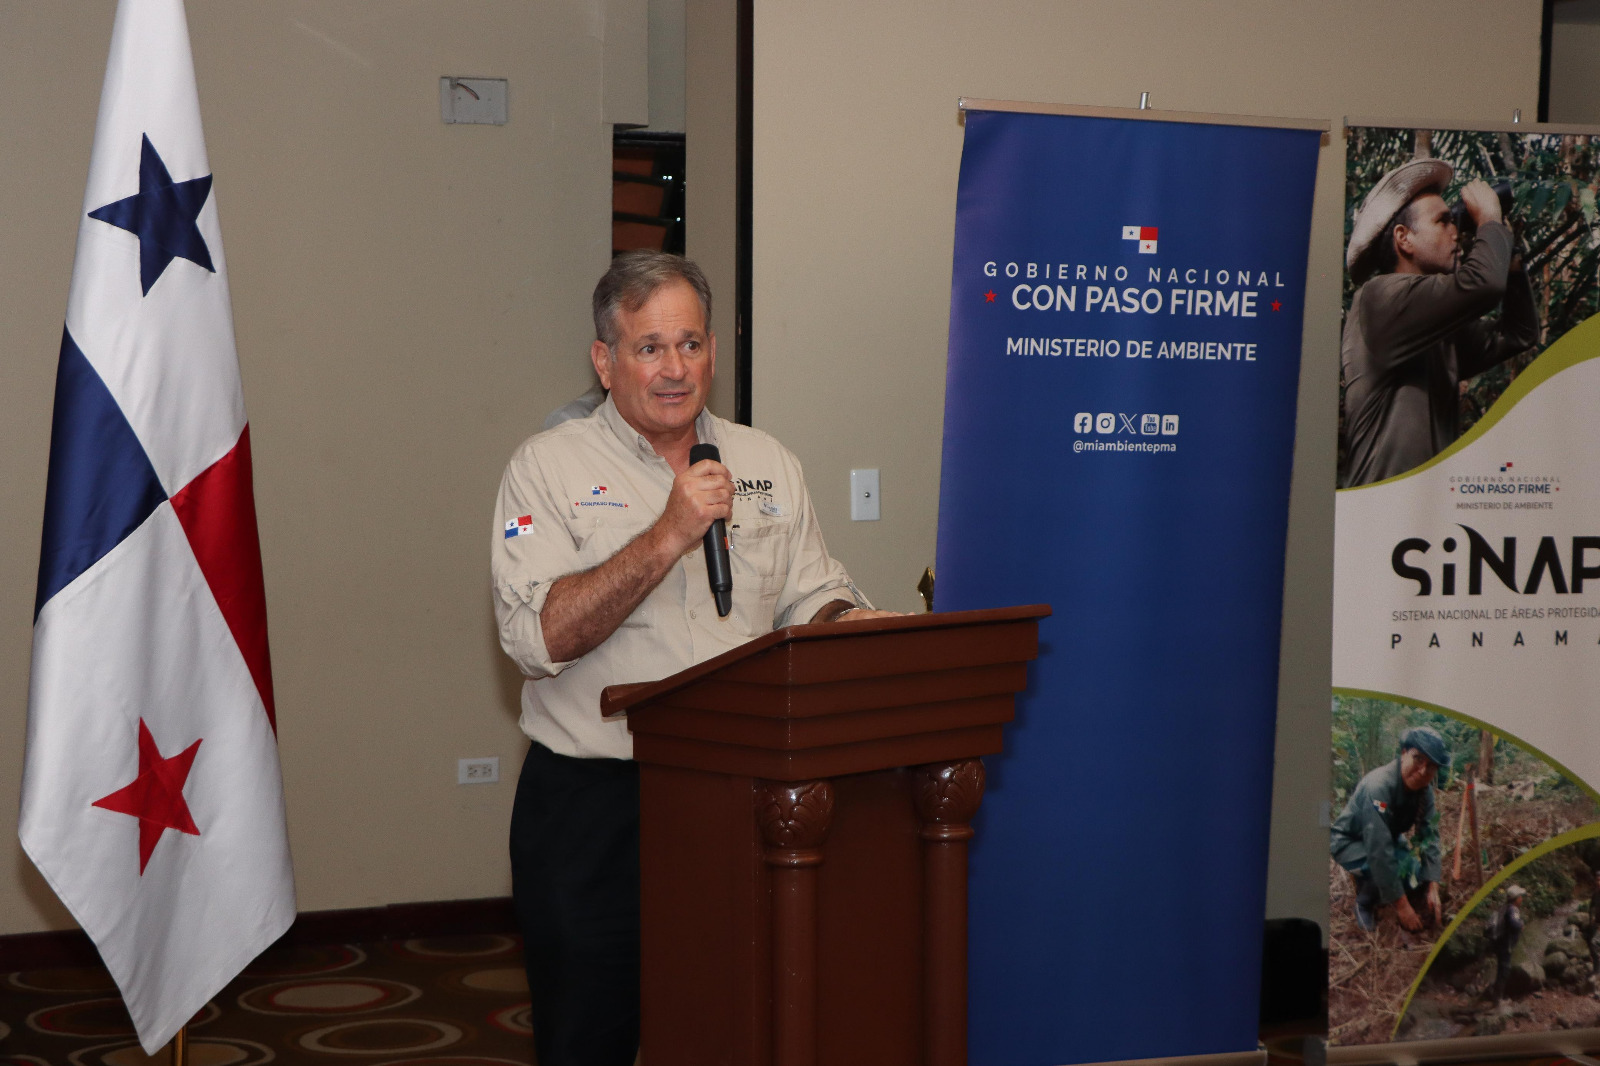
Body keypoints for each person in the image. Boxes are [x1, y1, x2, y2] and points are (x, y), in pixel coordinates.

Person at [491, 251, 901, 1066]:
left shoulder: (767, 462)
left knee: (732, 1027)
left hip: (738, 798)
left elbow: (809, 594)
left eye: (689, 344)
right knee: (588, 1036)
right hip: (596, 806)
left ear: (713, 350)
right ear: (604, 360)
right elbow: (538, 638)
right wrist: (669, 533)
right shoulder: (546, 468)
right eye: (649, 348)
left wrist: (850, 621)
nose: (675, 369)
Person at [1339, 159, 1539, 488]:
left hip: (1426, 508)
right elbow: (1484, 284)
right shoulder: (1379, 298)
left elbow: (1518, 334)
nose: (1456, 232)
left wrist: (1511, 258)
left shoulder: (1435, 328)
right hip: (1382, 507)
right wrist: (1489, 220)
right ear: (1404, 238)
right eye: (1443, 222)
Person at [1330, 727, 1450, 934]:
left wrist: (1433, 886)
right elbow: (1379, 850)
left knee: (1414, 875)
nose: (1423, 771)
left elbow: (1429, 836)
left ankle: (1384, 888)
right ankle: (1364, 902)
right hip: (1349, 842)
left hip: (1388, 839)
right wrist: (1403, 907)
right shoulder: (1378, 787)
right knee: (1384, 867)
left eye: (1431, 766)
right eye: (1418, 759)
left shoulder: (1425, 791)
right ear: (1404, 753)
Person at [1485, 884, 1528, 1002]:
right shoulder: (1512, 909)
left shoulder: (1503, 907)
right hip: (1505, 944)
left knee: (1501, 969)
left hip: (1498, 943)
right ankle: (1498, 999)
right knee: (1504, 970)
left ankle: (1496, 994)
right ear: (1516, 899)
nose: (1522, 899)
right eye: (1520, 897)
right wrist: (1521, 924)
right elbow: (1514, 923)